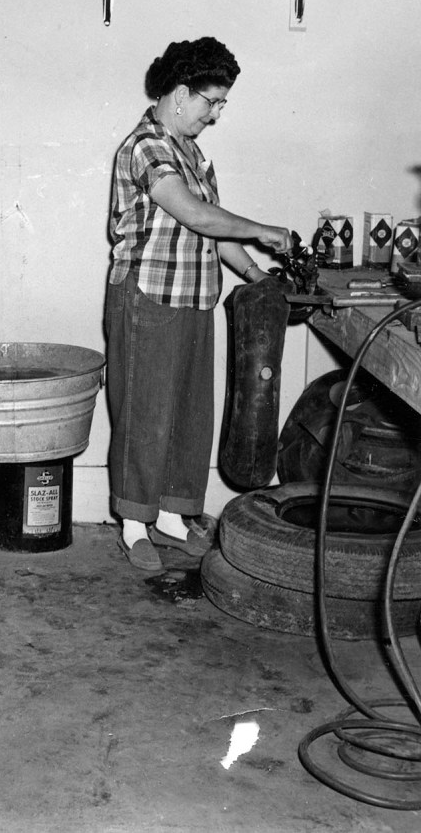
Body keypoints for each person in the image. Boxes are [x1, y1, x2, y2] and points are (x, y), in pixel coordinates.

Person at [105, 36, 292, 572]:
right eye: (212, 102)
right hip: (146, 296)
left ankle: (171, 516)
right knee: (144, 413)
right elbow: (193, 213)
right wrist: (264, 230)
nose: (216, 114)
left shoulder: (191, 152)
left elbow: (216, 231)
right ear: (182, 93)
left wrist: (257, 276)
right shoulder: (146, 146)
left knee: (189, 412)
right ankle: (133, 525)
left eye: (222, 104)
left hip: (193, 296)